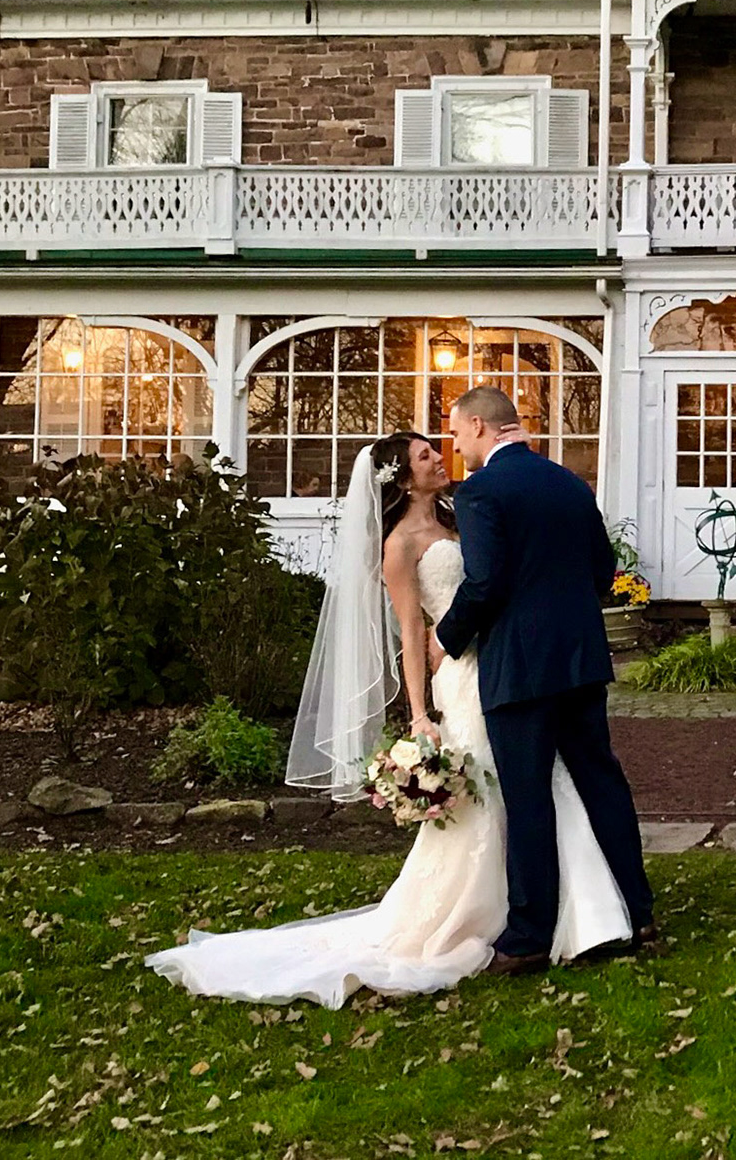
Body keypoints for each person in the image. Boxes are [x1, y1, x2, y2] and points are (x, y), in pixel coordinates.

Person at [143, 432, 632, 1008]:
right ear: (402, 477)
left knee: (541, 783)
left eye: (438, 448)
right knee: (505, 792)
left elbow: (497, 578)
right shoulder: (399, 547)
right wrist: (420, 714)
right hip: (466, 672)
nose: (438, 458)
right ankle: (509, 914)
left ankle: (580, 913)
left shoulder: (465, 511)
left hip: (508, 660)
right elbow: (410, 636)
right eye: (425, 455)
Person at [436, 387, 657, 978]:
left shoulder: (481, 491)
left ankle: (530, 935)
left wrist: (445, 638)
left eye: (456, 433)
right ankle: (638, 911)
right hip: (581, 658)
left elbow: (484, 583)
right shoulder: (567, 482)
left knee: (527, 794)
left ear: (480, 426)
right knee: (601, 780)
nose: (454, 446)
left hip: (520, 667)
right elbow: (604, 570)